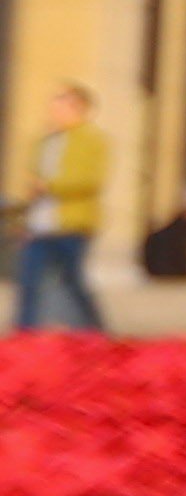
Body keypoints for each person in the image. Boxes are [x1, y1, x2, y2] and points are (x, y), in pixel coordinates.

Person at [13, 80, 109, 332]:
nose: (54, 108)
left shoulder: (91, 140)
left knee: (72, 281)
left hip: (71, 223)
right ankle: (24, 336)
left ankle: (96, 332)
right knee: (29, 282)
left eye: (61, 102)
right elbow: (32, 180)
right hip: (40, 224)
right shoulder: (45, 140)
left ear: (77, 107)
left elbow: (91, 180)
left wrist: (51, 186)